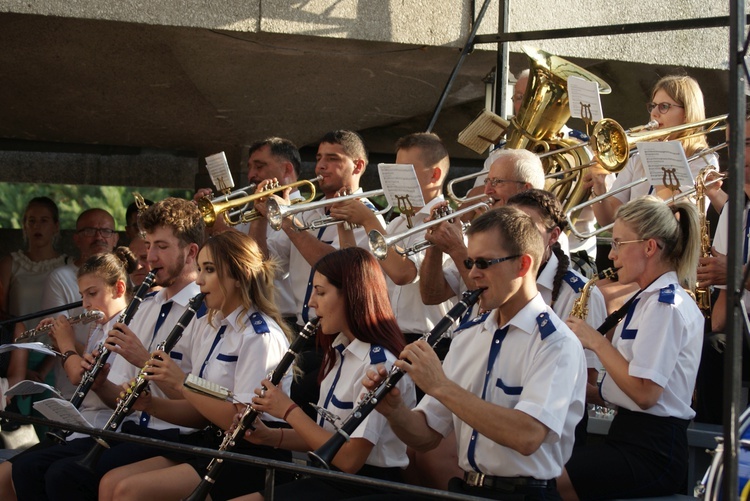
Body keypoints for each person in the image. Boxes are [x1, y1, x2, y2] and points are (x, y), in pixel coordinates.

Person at [364, 206, 586, 501]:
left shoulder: (556, 343)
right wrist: (394, 411)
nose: (472, 274)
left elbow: (527, 436)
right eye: (469, 262)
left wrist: (440, 385)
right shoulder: (468, 335)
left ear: (522, 265)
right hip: (467, 488)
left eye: (484, 263)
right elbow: (427, 436)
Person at [11, 197, 206, 501]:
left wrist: (143, 359)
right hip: (130, 426)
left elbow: (203, 402)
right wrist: (100, 384)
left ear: (191, 252)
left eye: (162, 247)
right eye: (149, 245)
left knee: (66, 475)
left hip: (174, 433)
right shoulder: (145, 306)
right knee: (28, 469)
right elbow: (121, 394)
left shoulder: (205, 311)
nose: (150, 258)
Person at [99, 231, 292, 501]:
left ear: (238, 276)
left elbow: (244, 425)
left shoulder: (260, 337)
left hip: (251, 454)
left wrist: (181, 383)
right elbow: (201, 411)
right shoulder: (211, 327)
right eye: (199, 269)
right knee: (110, 482)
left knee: (127, 491)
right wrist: (149, 405)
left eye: (209, 270)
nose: (199, 280)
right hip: (212, 442)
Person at [230, 247, 415, 501]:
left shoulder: (378, 365)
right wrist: (271, 436)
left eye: (320, 292)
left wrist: (287, 410)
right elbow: (326, 437)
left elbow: (350, 458)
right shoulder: (341, 353)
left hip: (364, 487)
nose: (310, 303)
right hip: (330, 481)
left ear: (351, 295)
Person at [559, 196, 703, 500]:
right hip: (629, 437)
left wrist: (594, 341)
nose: (611, 256)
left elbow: (645, 394)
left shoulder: (667, 306)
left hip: (653, 451)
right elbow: (635, 385)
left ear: (649, 247)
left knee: (550, 478)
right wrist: (592, 391)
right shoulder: (646, 300)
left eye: (619, 244)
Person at [250, 130, 385, 418]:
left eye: (332, 159)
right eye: (319, 158)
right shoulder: (307, 213)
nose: (320, 167)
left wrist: (286, 220)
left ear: (358, 167)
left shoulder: (368, 216)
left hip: (340, 336)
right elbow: (265, 264)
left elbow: (334, 265)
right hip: (304, 332)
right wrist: (262, 217)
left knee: (294, 398)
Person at [0, 247, 138, 501]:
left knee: (38, 471)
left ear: (119, 289)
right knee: (13, 471)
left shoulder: (127, 326)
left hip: (107, 428)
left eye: (92, 294)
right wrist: (57, 341)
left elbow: (81, 377)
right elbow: (83, 361)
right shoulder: (100, 325)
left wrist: (65, 343)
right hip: (84, 424)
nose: (85, 304)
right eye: (82, 295)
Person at [587, 74, 722, 228]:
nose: (654, 113)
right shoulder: (638, 159)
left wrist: (655, 155)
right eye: (653, 106)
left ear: (686, 114)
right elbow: (609, 221)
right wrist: (599, 185)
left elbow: (680, 220)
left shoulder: (704, 161)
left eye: (664, 106)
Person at [419, 148, 546, 305]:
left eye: (497, 182)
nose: (487, 190)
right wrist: (435, 243)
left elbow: (495, 301)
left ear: (525, 189)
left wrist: (456, 249)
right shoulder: (482, 233)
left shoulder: (541, 234)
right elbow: (432, 296)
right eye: (487, 181)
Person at [0, 197, 71, 435]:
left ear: (56, 226)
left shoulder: (66, 264)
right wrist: (18, 364)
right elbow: (3, 315)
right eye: (32, 221)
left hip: (54, 356)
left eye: (44, 220)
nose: (37, 226)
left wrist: (45, 365)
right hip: (13, 353)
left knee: (50, 430)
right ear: (24, 225)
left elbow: (68, 318)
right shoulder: (12, 262)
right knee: (11, 432)